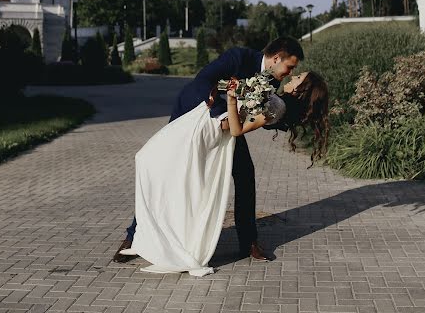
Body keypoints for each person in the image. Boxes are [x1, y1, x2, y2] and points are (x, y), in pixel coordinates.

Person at [113, 37, 304, 264]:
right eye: (289, 66)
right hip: (193, 116)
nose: (290, 73)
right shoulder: (238, 57)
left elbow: (259, 115)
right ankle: (134, 236)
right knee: (165, 171)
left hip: (227, 129)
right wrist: (223, 113)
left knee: (244, 174)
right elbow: (202, 79)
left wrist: (286, 116)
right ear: (276, 58)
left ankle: (248, 243)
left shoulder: (272, 82)